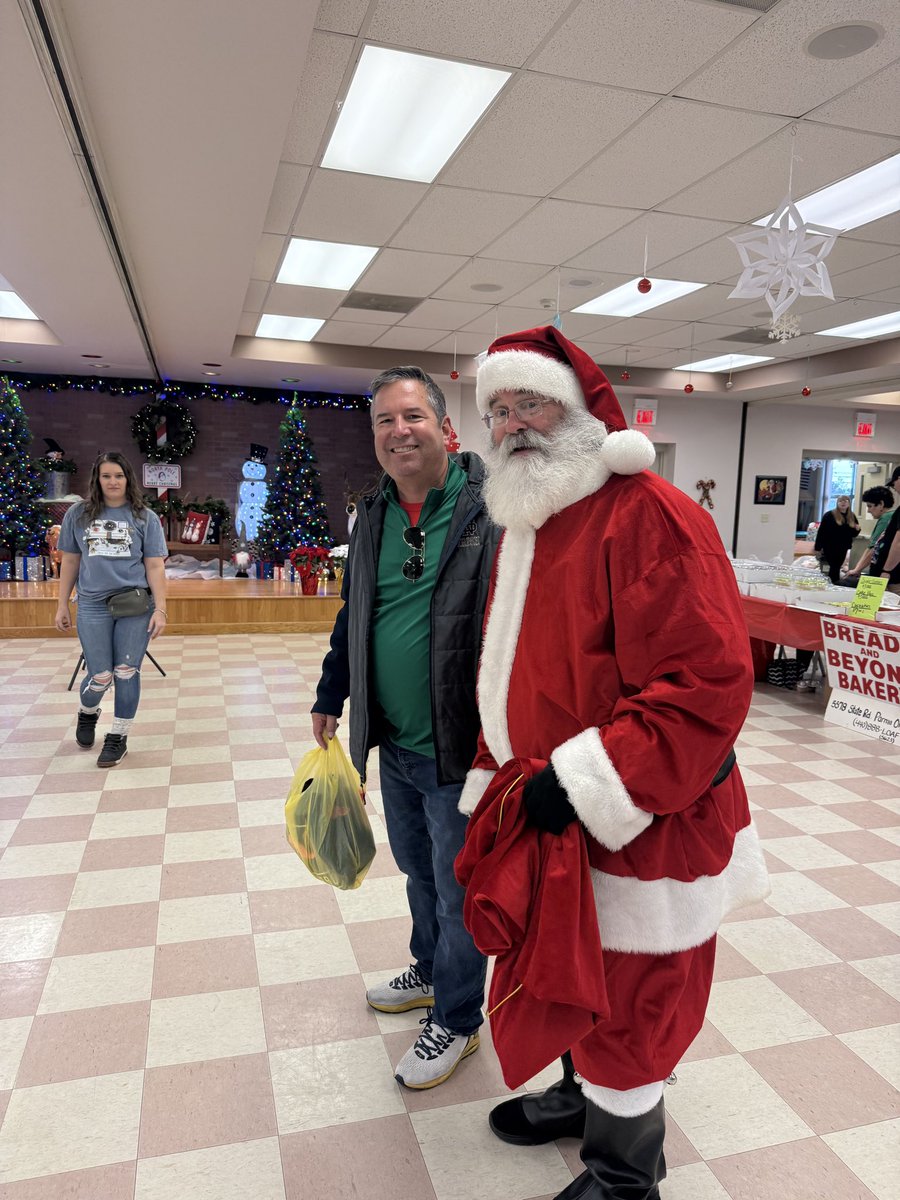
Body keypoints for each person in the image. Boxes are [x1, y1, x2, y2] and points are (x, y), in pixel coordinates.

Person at [458, 327, 769, 1200]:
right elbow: (509, 671)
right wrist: (499, 774)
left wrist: (584, 780)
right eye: (497, 410)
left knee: (635, 991)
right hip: (551, 805)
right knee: (566, 962)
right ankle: (579, 1096)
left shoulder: (650, 514)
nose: (513, 425)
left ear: (579, 411)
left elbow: (705, 683)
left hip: (642, 812)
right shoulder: (533, 521)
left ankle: (626, 1176)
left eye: (530, 402)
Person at [312, 366, 500, 1089]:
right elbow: (354, 612)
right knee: (418, 871)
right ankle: (429, 970)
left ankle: (457, 1018)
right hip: (393, 743)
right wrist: (332, 692)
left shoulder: (492, 512)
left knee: (458, 889)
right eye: (384, 420)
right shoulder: (373, 515)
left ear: (445, 427)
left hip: (461, 746)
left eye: (413, 416)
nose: (399, 431)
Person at [54, 451, 168, 767]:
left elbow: (155, 566)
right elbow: (70, 561)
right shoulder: (78, 514)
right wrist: (62, 604)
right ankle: (88, 711)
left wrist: (160, 609)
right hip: (92, 604)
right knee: (101, 675)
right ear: (98, 479)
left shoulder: (145, 517)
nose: (113, 481)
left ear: (128, 479)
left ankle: (118, 737)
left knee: (126, 671)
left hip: (135, 603)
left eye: (119, 475)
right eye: (106, 476)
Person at [841, 485, 894, 583]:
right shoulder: (891, 516)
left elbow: (874, 548)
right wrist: (857, 568)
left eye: (870, 506)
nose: (868, 510)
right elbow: (871, 547)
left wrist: (857, 569)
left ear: (881, 504)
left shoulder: (886, 518)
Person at [814, 495, 860, 583]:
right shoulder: (829, 515)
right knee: (829, 568)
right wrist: (818, 548)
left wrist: (857, 530)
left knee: (837, 567)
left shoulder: (851, 516)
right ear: (837, 503)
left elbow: (853, 534)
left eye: (845, 501)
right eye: (840, 501)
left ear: (849, 503)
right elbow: (821, 532)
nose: (843, 503)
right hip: (829, 546)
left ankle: (834, 584)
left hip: (843, 547)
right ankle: (829, 584)